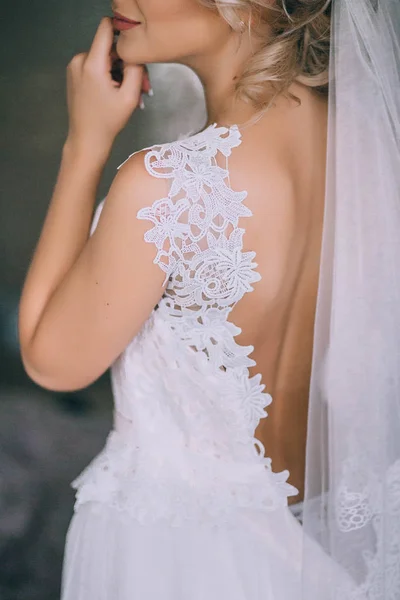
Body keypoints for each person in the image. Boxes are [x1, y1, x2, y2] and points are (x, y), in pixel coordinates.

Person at [17, 1, 400, 598]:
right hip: (302, 565)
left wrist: (85, 145)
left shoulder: (168, 186)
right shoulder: (376, 154)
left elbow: (51, 358)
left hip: (174, 559)